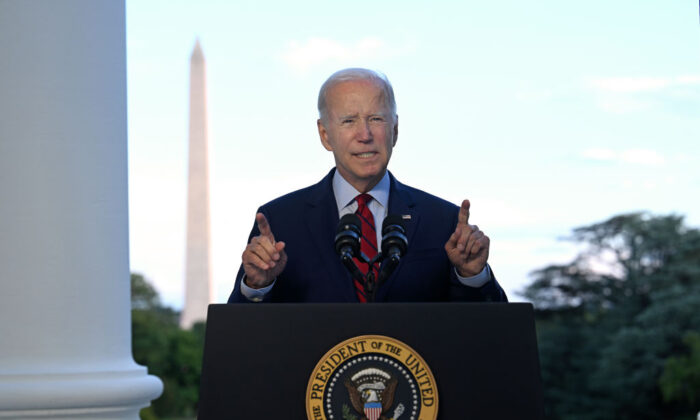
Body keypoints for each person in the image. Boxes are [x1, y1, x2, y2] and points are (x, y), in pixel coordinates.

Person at [228, 68, 506, 303]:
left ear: (395, 130)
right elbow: (241, 338)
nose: (365, 135)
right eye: (349, 121)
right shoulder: (280, 221)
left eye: (376, 119)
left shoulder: (443, 220)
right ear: (325, 135)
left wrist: (472, 276)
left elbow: (490, 337)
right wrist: (257, 286)